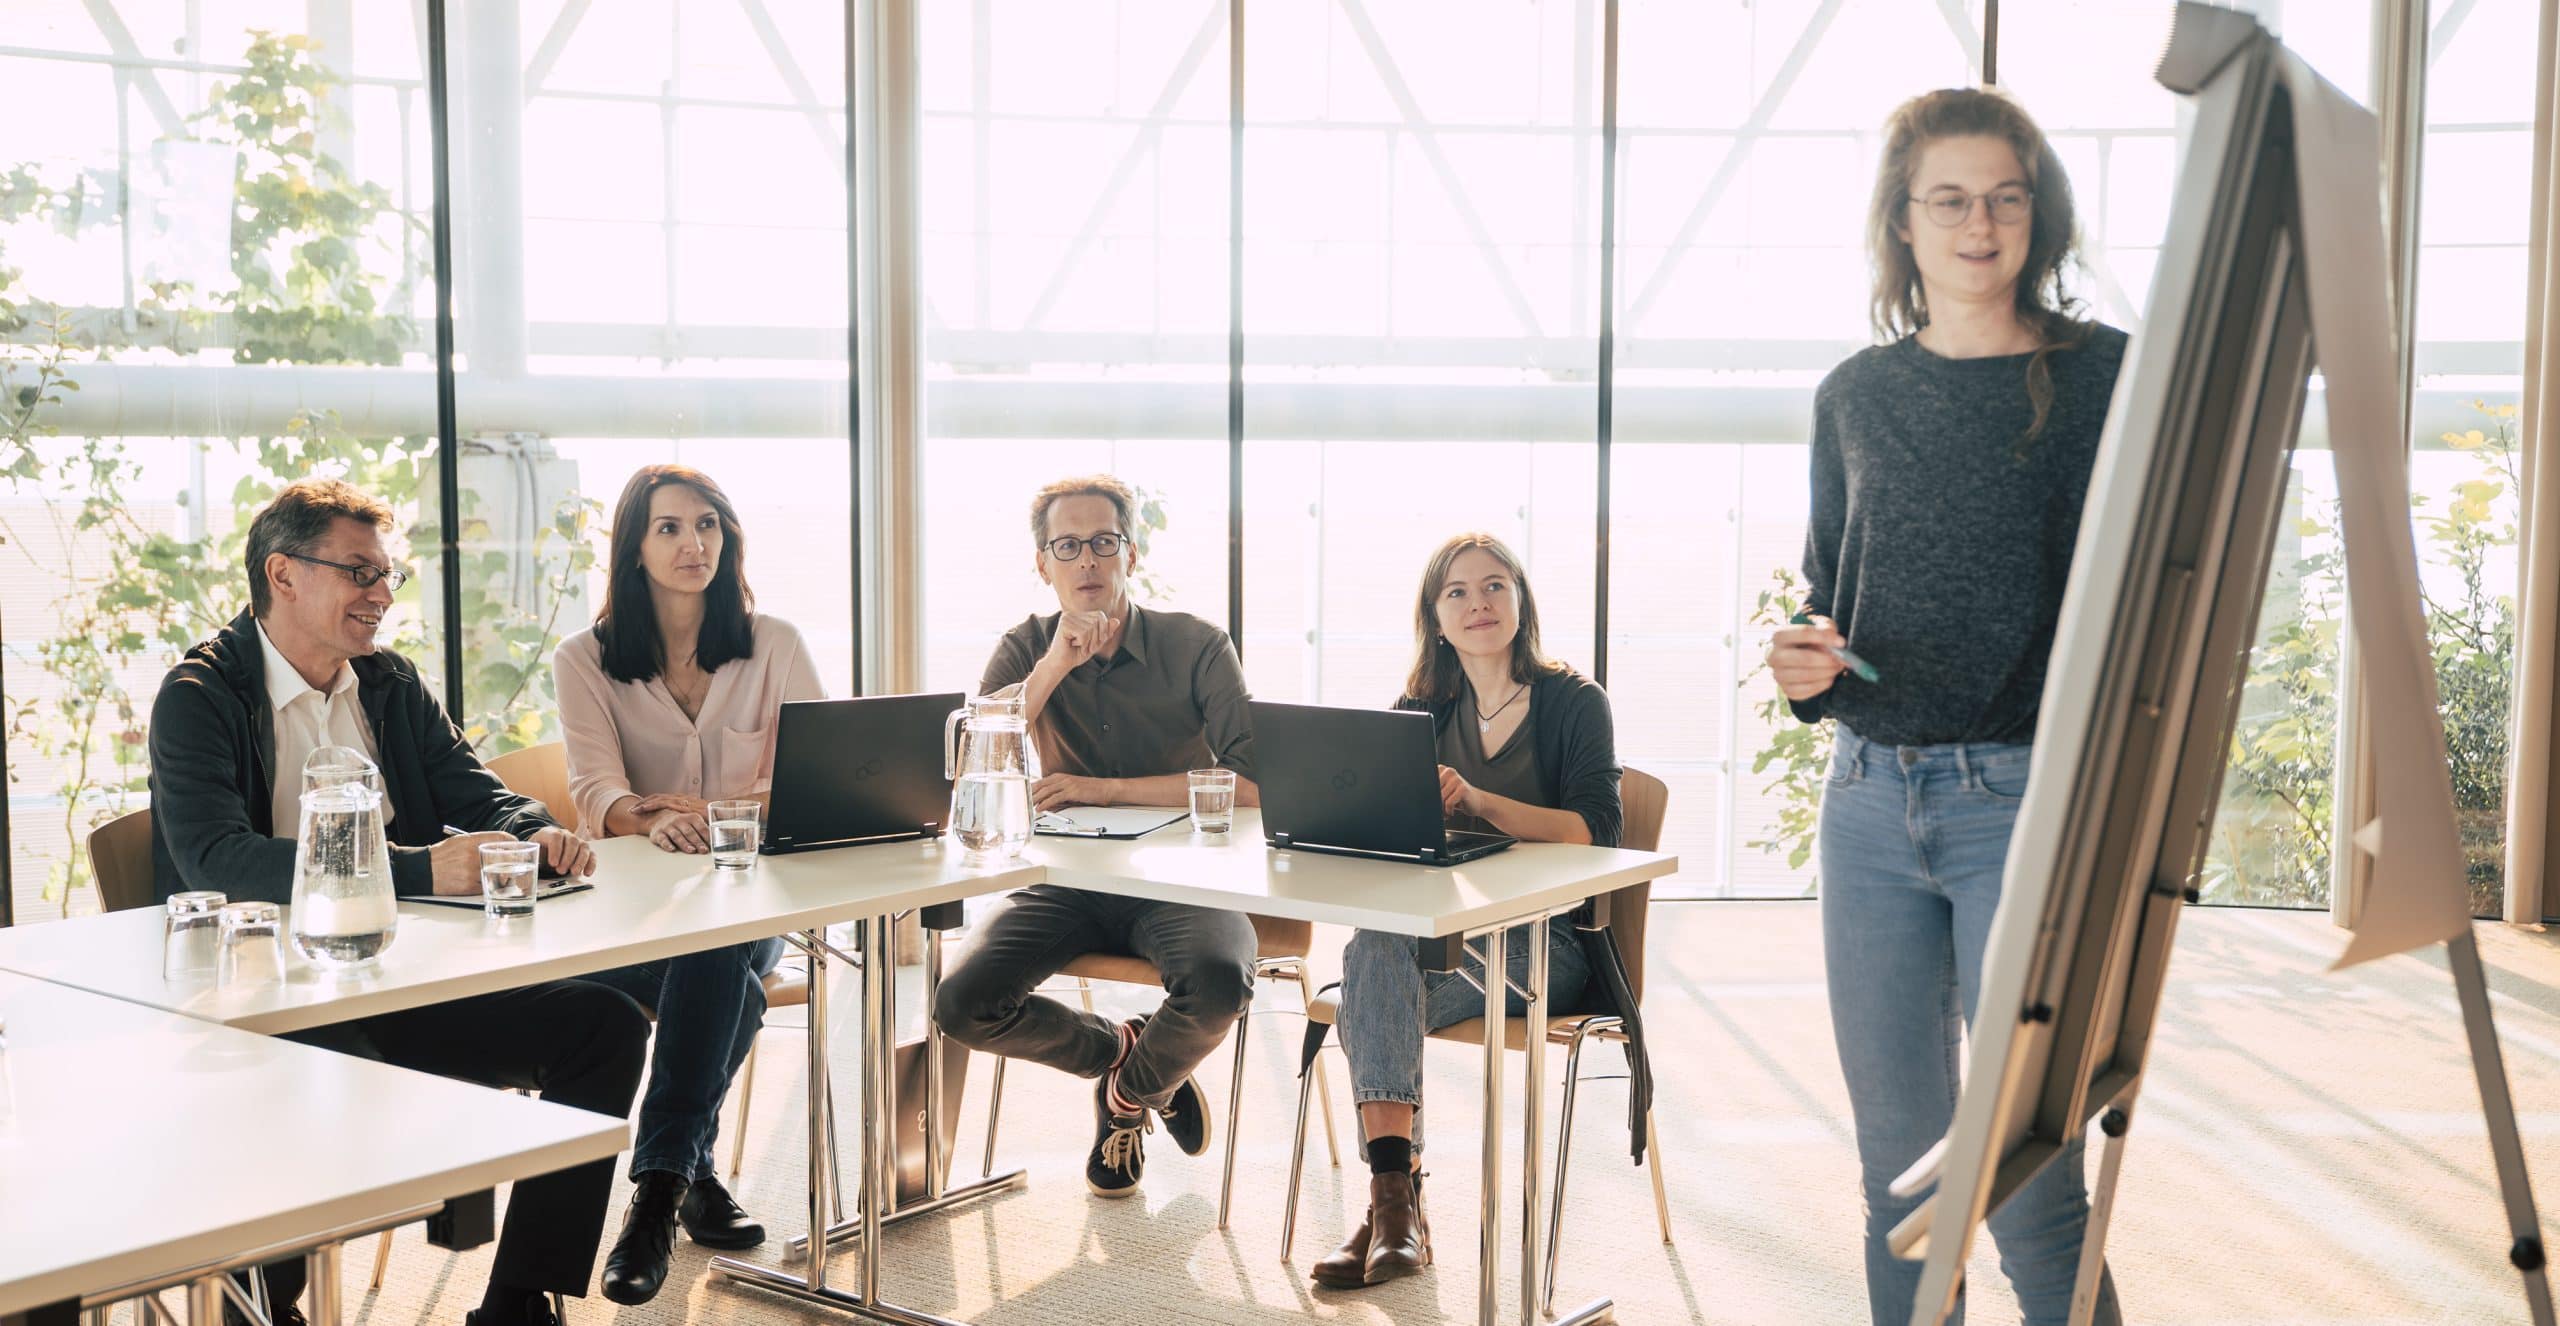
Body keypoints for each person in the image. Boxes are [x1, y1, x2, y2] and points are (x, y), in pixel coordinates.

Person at [1767, 87, 2128, 1326]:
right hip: (1868, 803)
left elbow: (2149, 593)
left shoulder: (2101, 381)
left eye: (2005, 196)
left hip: (2024, 802)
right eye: (1949, 199)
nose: (1980, 223)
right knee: (1897, 1176)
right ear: (1903, 224)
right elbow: (1830, 593)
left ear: (2039, 213)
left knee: (2025, 1173)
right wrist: (1806, 663)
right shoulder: (1853, 395)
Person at [149, 479, 639, 1326]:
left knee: (605, 1025)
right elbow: (217, 860)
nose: (381, 595)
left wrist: (537, 832)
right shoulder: (200, 696)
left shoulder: (385, 683)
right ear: (284, 574)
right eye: (360, 573)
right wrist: (416, 872)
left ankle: (519, 1302)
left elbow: (478, 792)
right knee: (334, 1084)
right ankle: (263, 1309)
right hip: (265, 1005)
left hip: (402, 984)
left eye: (388, 577)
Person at [932, 474, 1258, 1201]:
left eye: (1103, 543)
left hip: (1182, 879)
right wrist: (1054, 666)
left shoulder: (1199, 644)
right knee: (961, 1003)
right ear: (1042, 563)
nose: (1087, 562)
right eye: (1068, 546)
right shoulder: (1023, 648)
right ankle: (1124, 1050)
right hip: (1066, 881)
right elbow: (972, 770)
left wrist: (1104, 788)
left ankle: (1128, 1099)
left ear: (1129, 554)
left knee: (1220, 981)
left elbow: (1251, 780)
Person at [1315, 532, 1623, 1290]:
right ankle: (1395, 1204)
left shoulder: (1574, 702)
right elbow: (1387, 825)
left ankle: (1396, 1207)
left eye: (1494, 586)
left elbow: (1595, 833)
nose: (1478, 603)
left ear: (1521, 599)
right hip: (1441, 931)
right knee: (1375, 952)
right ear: (1436, 616)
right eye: (1457, 591)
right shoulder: (1420, 706)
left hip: (1548, 942)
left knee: (1369, 986)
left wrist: (1481, 801)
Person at [552, 465, 821, 1303]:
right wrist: (645, 816)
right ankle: (691, 1171)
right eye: (668, 527)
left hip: (755, 896)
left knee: (719, 949)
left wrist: (709, 809)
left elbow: (811, 779)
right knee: (728, 984)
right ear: (634, 546)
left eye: (707, 525)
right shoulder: (584, 660)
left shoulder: (772, 641)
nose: (691, 543)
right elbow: (595, 790)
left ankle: (654, 1194)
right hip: (629, 913)